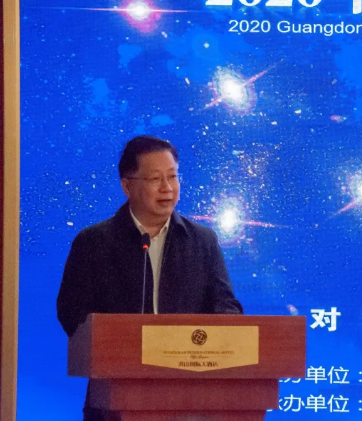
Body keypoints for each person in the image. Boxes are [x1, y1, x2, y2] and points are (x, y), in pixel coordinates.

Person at [57, 135, 243, 421]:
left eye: (173, 176)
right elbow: (72, 313)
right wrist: (120, 347)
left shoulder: (202, 241)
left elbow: (226, 307)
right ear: (127, 186)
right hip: (115, 399)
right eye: (155, 178)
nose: (167, 188)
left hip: (191, 399)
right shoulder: (94, 243)